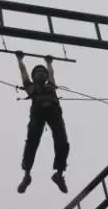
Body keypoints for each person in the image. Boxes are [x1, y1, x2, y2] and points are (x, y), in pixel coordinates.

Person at [14, 51, 69, 194]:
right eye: (38, 72)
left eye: (43, 72)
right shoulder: (30, 86)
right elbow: (23, 71)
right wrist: (20, 59)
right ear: (33, 77)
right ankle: (26, 175)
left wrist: (49, 63)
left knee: (62, 141)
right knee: (31, 143)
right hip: (37, 116)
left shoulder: (50, 85)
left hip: (54, 115)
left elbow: (51, 73)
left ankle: (59, 174)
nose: (41, 74)